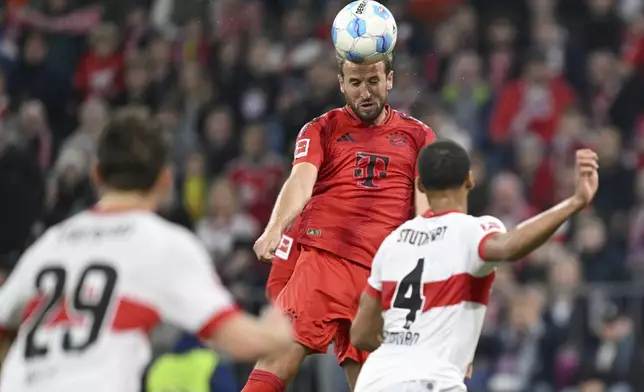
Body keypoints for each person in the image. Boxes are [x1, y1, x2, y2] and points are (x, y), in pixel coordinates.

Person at [0, 113, 292, 392]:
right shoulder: (163, 243)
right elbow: (239, 339)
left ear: (96, 174)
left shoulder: (51, 242)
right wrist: (277, 328)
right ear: (165, 179)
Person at [244, 54, 436, 392]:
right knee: (277, 358)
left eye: (373, 82)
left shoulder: (419, 135)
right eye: (356, 83)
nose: (365, 92)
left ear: (389, 80)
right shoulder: (322, 128)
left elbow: (424, 208)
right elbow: (301, 181)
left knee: (374, 386)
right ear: (342, 85)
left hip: (381, 276)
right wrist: (274, 228)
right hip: (325, 261)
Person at [350, 140, 599, 392]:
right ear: (470, 179)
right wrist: (575, 202)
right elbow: (510, 247)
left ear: (421, 185)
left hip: (376, 380)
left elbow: (360, 334)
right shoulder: (473, 231)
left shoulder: (392, 242)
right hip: (433, 381)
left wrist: (405, 347)